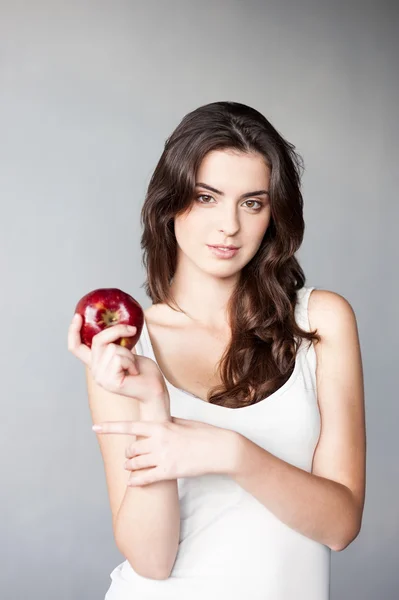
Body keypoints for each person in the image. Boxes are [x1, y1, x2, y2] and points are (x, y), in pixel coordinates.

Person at [68, 101, 366, 600]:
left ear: (274, 213)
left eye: (253, 202)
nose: (229, 225)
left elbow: (340, 526)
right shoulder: (127, 346)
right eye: (207, 197)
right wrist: (154, 408)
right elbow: (152, 560)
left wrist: (233, 453)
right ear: (171, 202)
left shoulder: (320, 320)